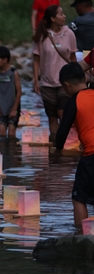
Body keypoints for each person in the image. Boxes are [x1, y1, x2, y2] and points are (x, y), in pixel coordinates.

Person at [54, 62, 94, 228]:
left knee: (79, 197)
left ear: (66, 85)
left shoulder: (74, 101)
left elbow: (62, 132)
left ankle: (81, 236)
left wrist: (57, 150)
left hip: (91, 156)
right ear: (85, 77)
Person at [33, 5, 77, 141]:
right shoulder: (43, 35)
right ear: (53, 18)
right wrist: (36, 80)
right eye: (61, 14)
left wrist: (76, 79)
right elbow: (36, 59)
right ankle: (55, 145)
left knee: (62, 114)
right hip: (47, 82)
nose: (64, 17)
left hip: (65, 83)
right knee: (52, 117)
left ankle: (65, 143)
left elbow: (73, 58)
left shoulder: (69, 33)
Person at [0, 46, 22, 138]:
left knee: (11, 133)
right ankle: (2, 151)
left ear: (5, 60)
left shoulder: (13, 73)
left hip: (13, 107)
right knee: (1, 133)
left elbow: (19, 92)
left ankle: (12, 151)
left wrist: (14, 109)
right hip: (2, 107)